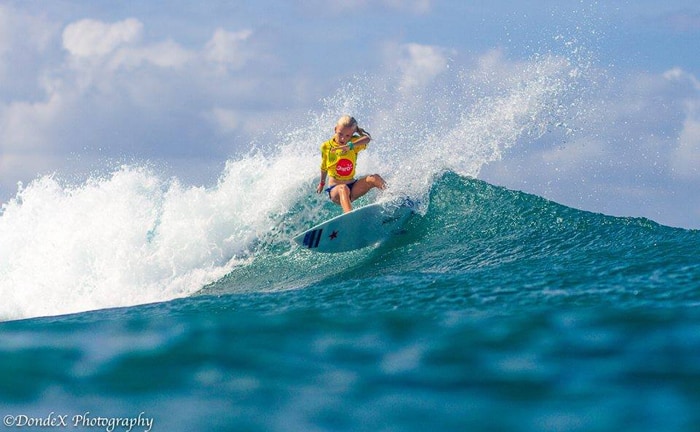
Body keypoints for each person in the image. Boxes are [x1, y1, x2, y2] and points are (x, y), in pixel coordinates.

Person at [316, 115, 386, 213]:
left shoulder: (352, 143)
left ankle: (393, 197)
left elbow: (367, 139)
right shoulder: (326, 146)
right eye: (340, 134)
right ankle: (349, 216)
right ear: (335, 129)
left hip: (353, 187)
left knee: (374, 178)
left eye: (348, 135)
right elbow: (324, 167)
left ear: (352, 134)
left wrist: (351, 146)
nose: (343, 138)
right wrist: (322, 183)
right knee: (343, 188)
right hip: (335, 190)